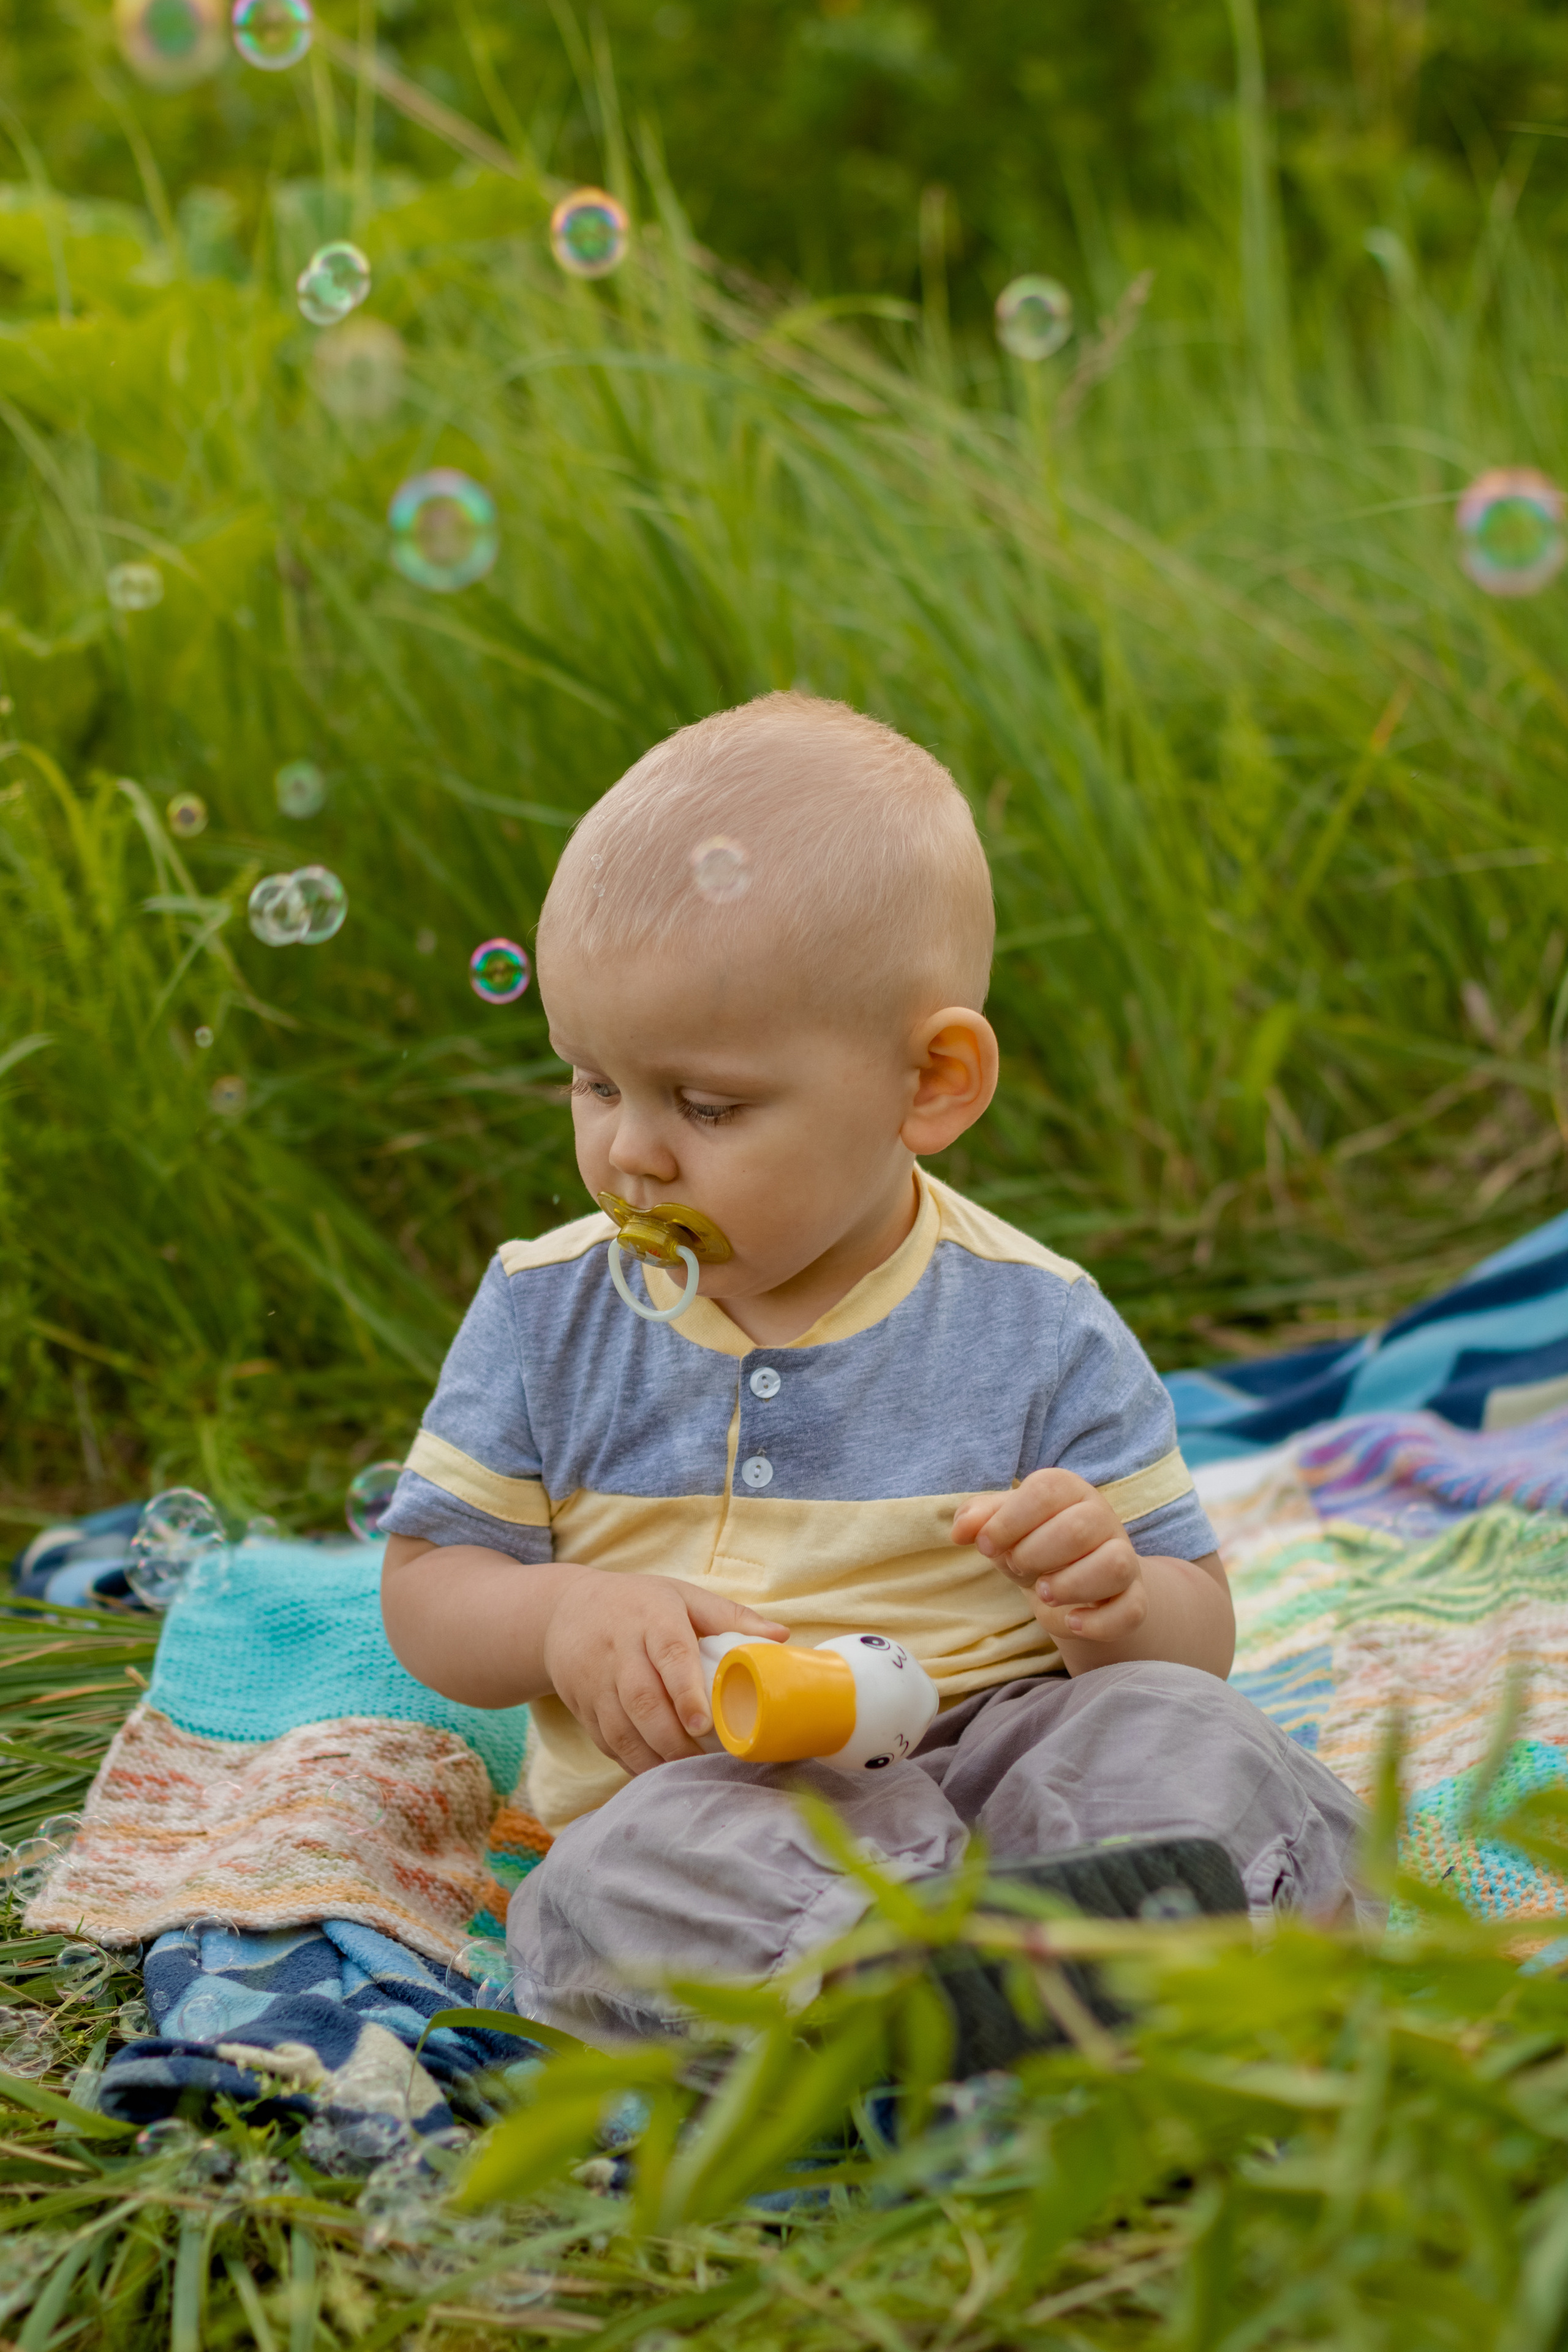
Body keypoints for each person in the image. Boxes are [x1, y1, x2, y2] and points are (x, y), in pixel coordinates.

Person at [379, 692, 1370, 2041]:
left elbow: (1196, 1640)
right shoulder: (547, 1311)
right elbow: (432, 1589)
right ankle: (930, 1999)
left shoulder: (1035, 1321)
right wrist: (561, 1617)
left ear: (931, 1082)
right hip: (719, 1795)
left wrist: (1109, 1601)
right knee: (616, 1886)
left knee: (1183, 1737)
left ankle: (1099, 1951)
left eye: (707, 1105)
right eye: (592, 1083)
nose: (632, 1155)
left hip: (1013, 1763)